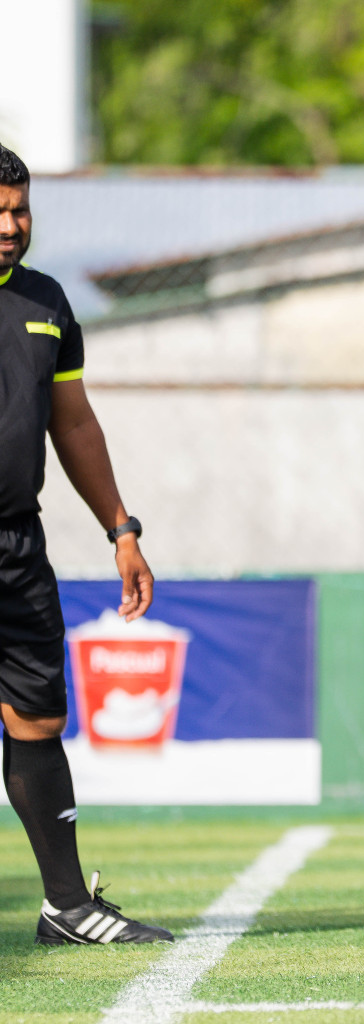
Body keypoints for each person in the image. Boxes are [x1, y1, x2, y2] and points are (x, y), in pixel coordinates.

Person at [0, 145, 171, 945]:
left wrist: (121, 528)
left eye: (20, 210)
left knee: (38, 717)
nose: (11, 225)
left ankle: (67, 906)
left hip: (16, 548)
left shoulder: (48, 302)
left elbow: (73, 423)